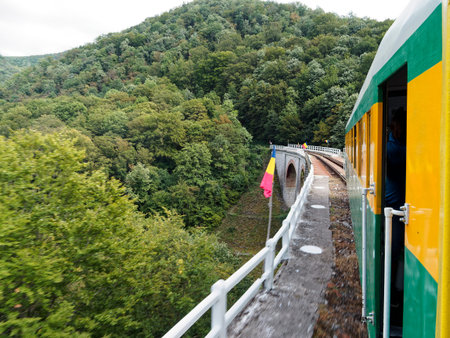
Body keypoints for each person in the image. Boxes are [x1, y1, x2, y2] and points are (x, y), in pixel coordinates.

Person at [385, 107, 406, 327]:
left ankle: (394, 295)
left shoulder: (393, 143)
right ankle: (392, 299)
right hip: (396, 208)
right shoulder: (395, 148)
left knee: (395, 254)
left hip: (396, 206)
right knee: (394, 254)